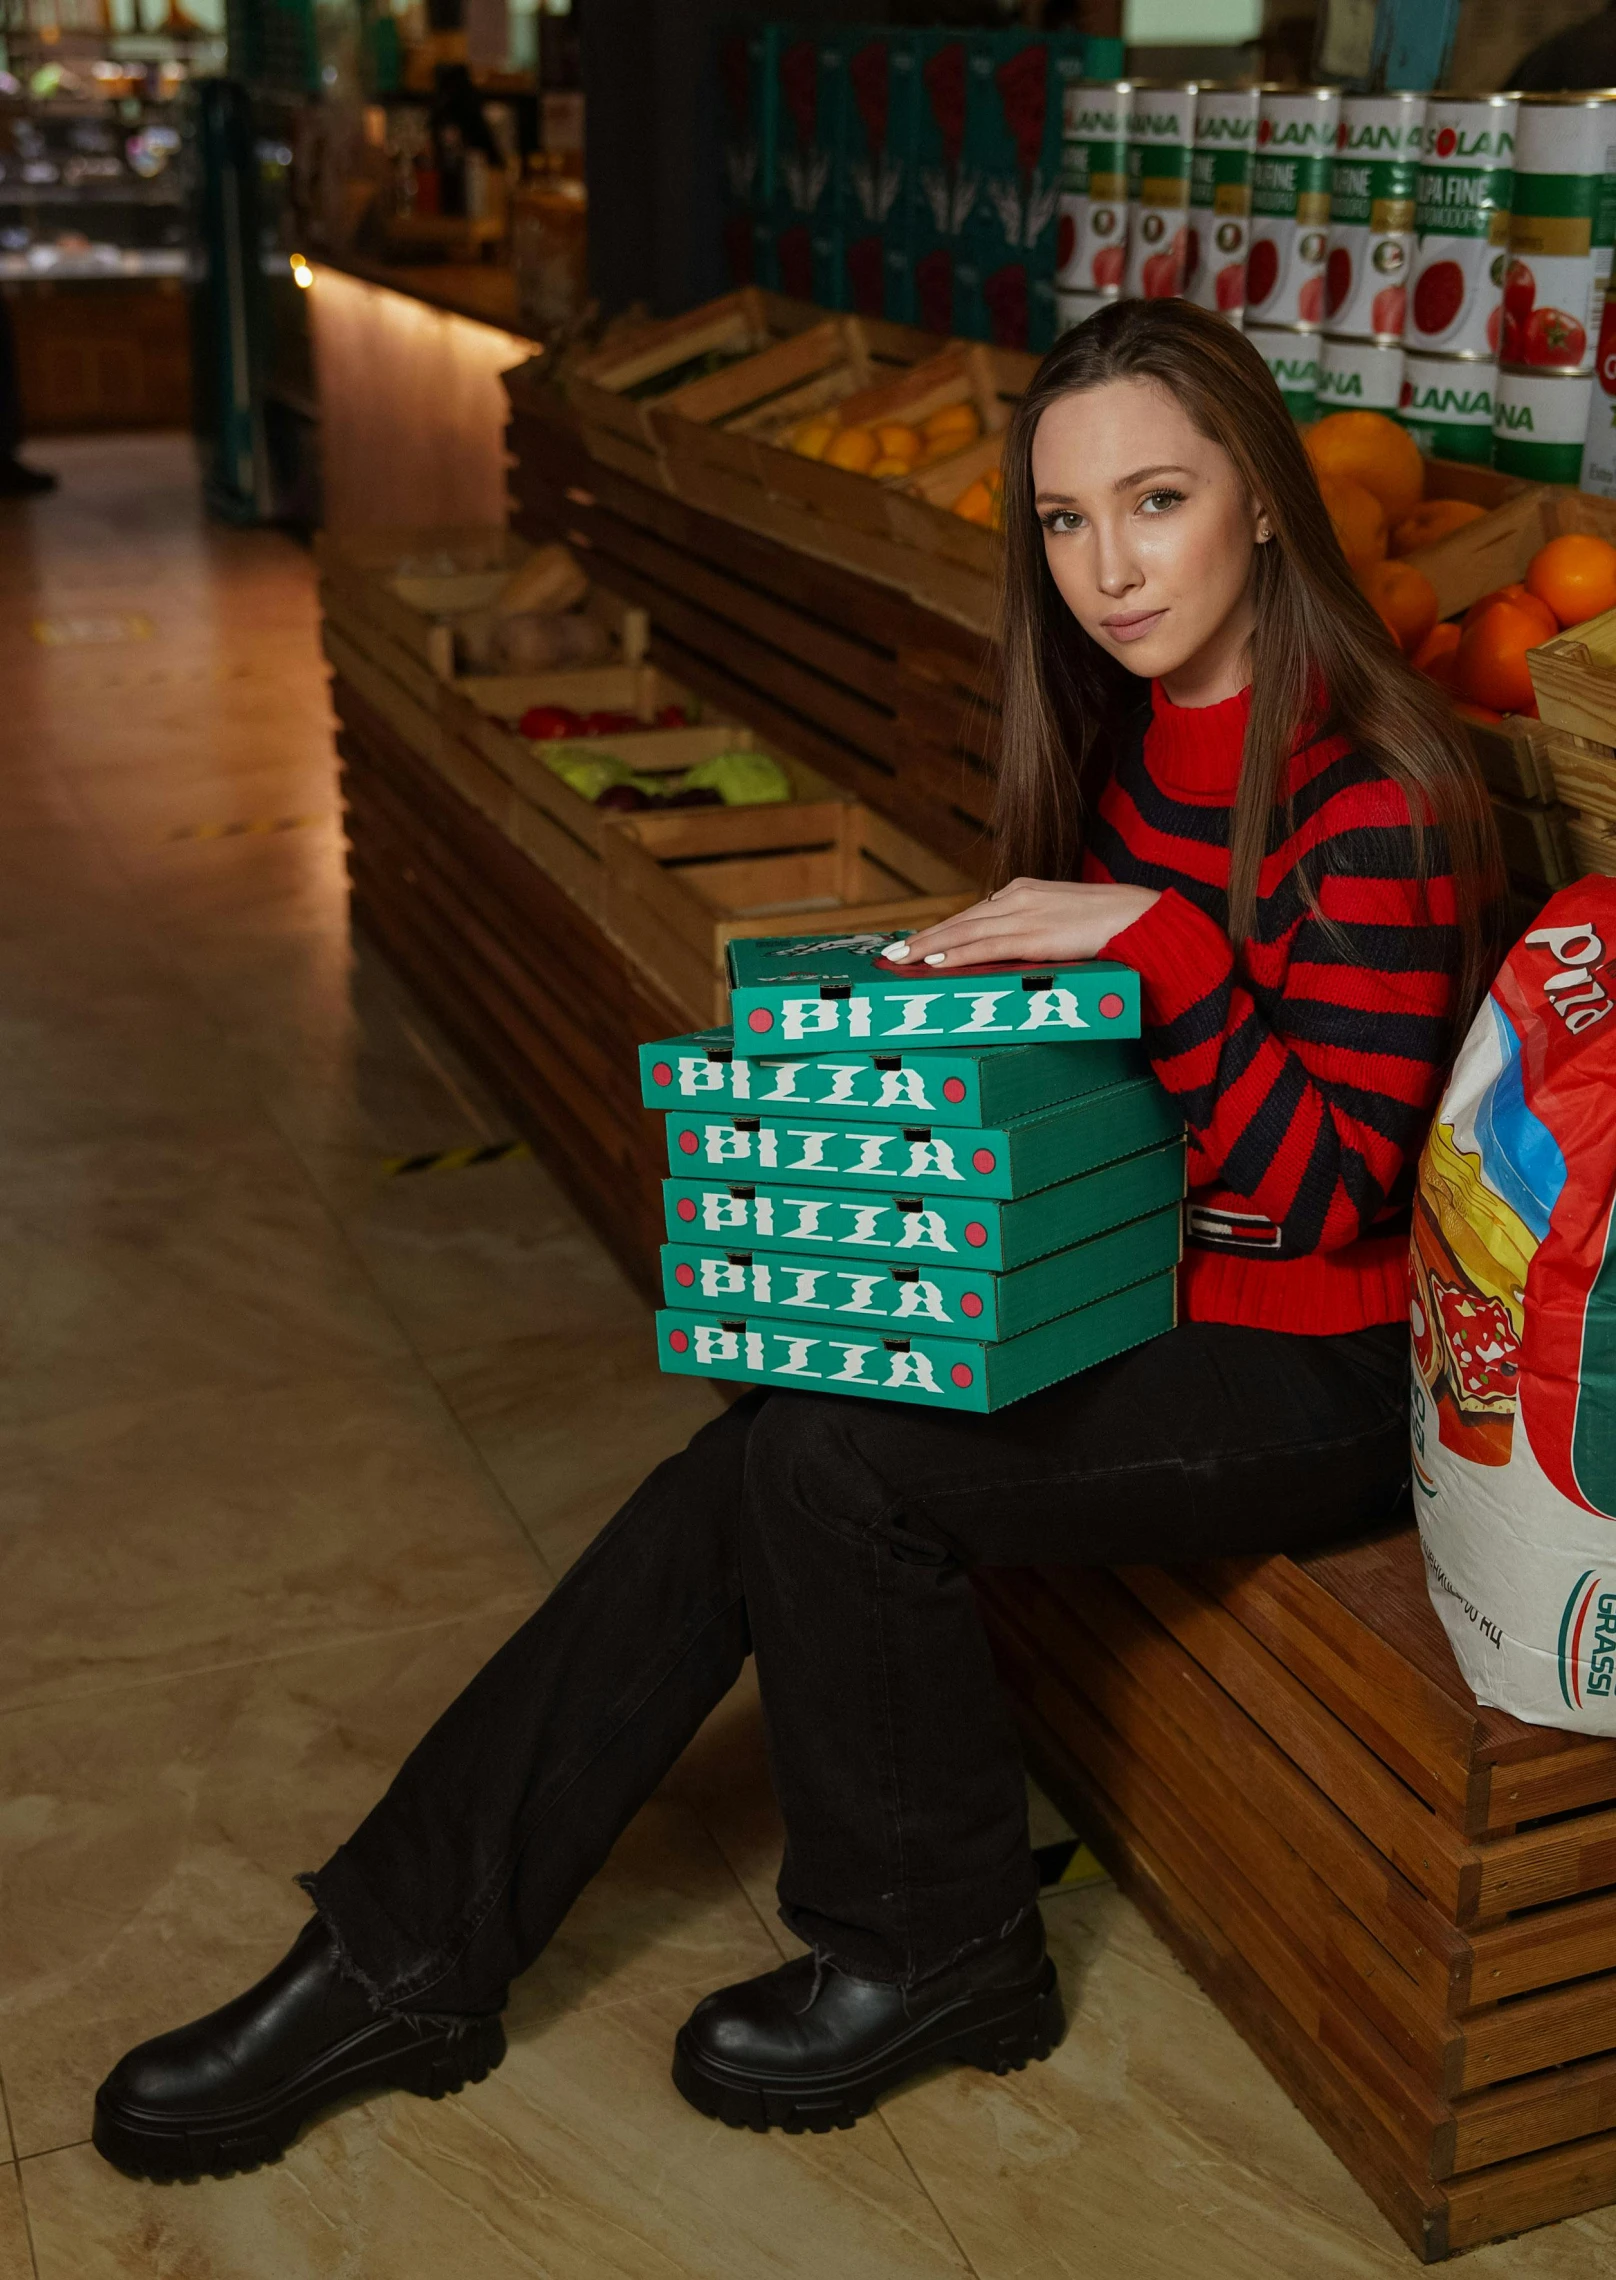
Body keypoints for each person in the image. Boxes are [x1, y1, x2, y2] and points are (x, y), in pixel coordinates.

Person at [92, 299, 1502, 2181]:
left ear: (1263, 497)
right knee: (771, 1436)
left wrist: (1146, 950)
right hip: (1131, 1278)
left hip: (1312, 1359)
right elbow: (1108, 1089)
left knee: (836, 1465)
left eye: (1155, 501)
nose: (1107, 567)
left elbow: (1330, 1187)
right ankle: (394, 1954)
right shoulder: (1128, 746)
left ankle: (931, 1950)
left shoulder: (1384, 793)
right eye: (1066, 522)